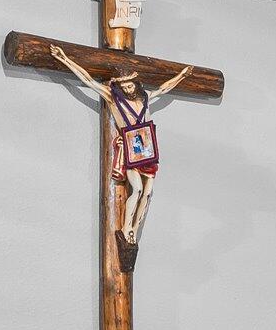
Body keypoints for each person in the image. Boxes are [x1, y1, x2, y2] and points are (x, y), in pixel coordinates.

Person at [45, 44, 192, 269]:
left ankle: (135, 227)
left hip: (148, 150)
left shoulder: (145, 98)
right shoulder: (113, 99)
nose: (129, 88)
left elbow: (164, 88)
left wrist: (182, 75)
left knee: (149, 192)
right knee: (138, 189)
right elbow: (87, 80)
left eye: (131, 84)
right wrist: (64, 58)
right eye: (124, 85)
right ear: (119, 87)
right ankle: (127, 229)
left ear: (136, 83)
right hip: (131, 150)